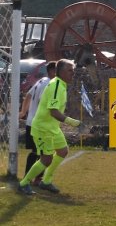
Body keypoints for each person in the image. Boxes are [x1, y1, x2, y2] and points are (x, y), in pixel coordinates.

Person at [17, 60, 82, 195]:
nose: (73, 73)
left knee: (63, 151)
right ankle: (24, 184)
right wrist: (71, 121)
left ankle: (46, 181)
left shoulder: (60, 85)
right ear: (61, 72)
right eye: (70, 70)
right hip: (42, 128)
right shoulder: (56, 86)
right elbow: (53, 111)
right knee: (46, 159)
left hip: (52, 127)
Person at [19, 61, 55, 184]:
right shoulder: (49, 84)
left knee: (38, 151)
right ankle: (33, 178)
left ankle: (33, 178)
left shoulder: (41, 81)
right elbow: (42, 103)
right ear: (52, 71)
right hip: (39, 124)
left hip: (31, 122)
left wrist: (23, 112)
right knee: (44, 153)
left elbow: (28, 96)